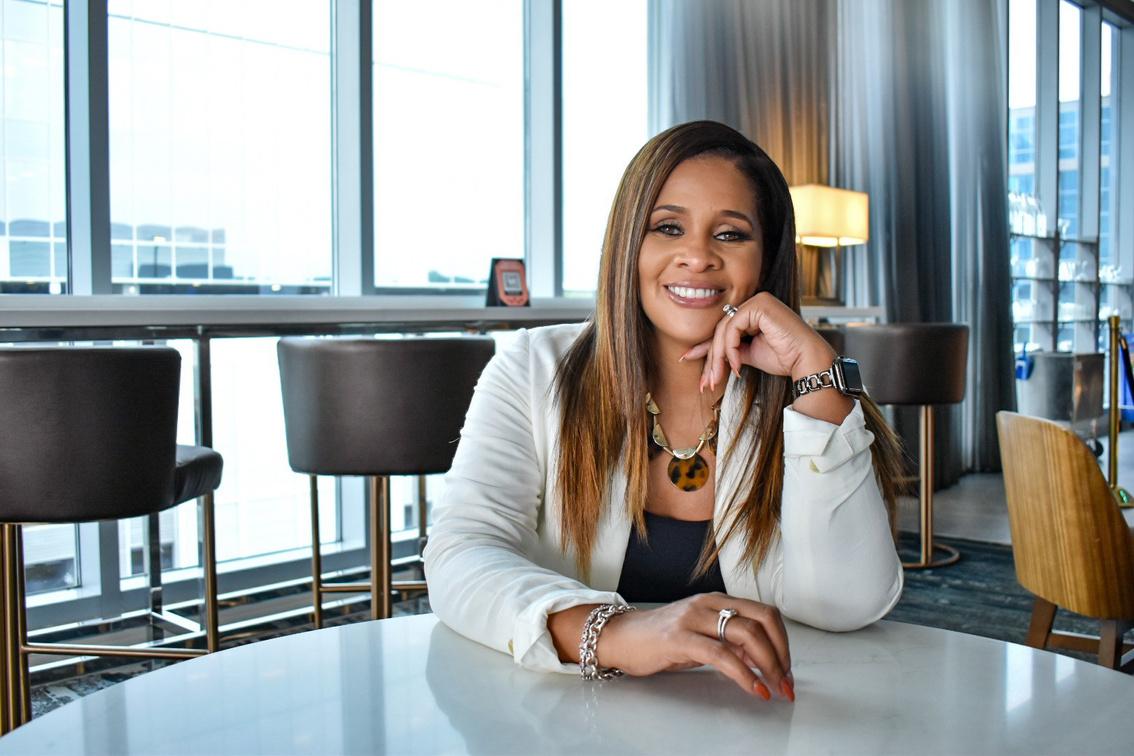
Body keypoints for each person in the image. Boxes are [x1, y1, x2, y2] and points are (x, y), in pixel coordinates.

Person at [423, 120, 904, 703]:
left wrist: (818, 377)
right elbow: (460, 553)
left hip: (758, 718)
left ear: (765, 259)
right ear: (629, 244)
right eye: (668, 227)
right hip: (565, 716)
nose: (697, 257)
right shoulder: (531, 369)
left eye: (730, 234)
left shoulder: (806, 391)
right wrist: (615, 633)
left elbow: (849, 603)